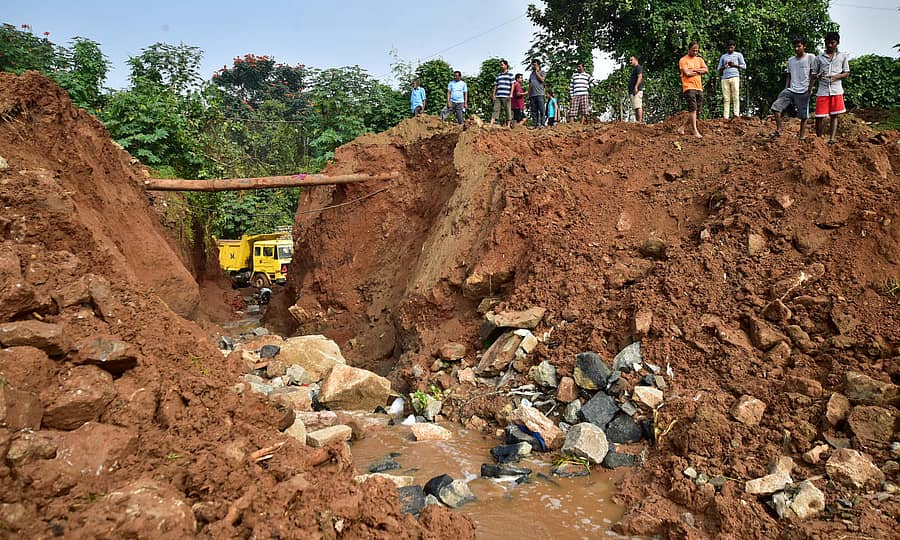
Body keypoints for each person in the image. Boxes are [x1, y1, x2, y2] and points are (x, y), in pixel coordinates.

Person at [770, 37, 814, 139]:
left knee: (803, 116)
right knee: (775, 107)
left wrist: (810, 89)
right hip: (791, 90)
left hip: (804, 90)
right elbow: (788, 75)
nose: (796, 48)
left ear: (804, 46)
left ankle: (801, 137)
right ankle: (779, 129)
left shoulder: (810, 57)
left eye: (799, 46)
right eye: (795, 46)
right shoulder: (791, 60)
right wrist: (786, 88)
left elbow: (813, 74)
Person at [812, 31, 850, 144]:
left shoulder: (842, 56)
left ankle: (831, 139)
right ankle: (819, 139)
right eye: (827, 43)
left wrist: (836, 77)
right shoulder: (819, 58)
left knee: (834, 115)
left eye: (832, 43)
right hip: (823, 90)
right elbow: (813, 73)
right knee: (819, 116)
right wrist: (818, 76)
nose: (829, 45)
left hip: (836, 90)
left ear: (837, 43)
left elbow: (846, 72)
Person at [677, 41, 709, 138]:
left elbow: (706, 70)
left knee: (697, 111)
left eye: (697, 51)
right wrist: (699, 71)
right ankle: (694, 130)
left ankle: (682, 127)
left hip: (699, 87)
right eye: (693, 50)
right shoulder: (683, 60)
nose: (695, 52)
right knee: (693, 109)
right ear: (689, 49)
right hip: (688, 87)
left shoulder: (699, 59)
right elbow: (687, 73)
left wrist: (694, 70)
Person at [717, 40, 747, 118]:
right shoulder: (723, 56)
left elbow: (744, 66)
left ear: (734, 47)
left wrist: (734, 65)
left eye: (731, 47)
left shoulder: (738, 55)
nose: (730, 49)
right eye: (729, 48)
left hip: (735, 77)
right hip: (725, 78)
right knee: (726, 98)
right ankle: (726, 116)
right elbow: (719, 69)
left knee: (735, 96)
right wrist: (724, 66)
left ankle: (736, 114)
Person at [490, 59, 515, 127]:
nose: (501, 66)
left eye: (502, 65)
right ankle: (491, 123)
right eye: (500, 65)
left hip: (506, 95)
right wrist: (493, 94)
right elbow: (496, 85)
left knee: (507, 110)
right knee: (495, 109)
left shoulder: (510, 75)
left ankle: (508, 125)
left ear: (506, 65)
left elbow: (513, 85)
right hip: (498, 95)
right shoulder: (498, 75)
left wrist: (511, 94)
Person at [528, 59, 547, 128]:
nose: (533, 66)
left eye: (534, 64)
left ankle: (542, 124)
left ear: (538, 65)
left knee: (542, 110)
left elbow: (542, 80)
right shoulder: (531, 74)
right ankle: (534, 124)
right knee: (534, 110)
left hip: (540, 94)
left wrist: (537, 72)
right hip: (532, 95)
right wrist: (529, 94)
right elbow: (530, 84)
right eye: (532, 64)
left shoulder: (542, 72)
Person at [628, 56, 644, 123]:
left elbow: (640, 77)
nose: (630, 62)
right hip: (632, 91)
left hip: (636, 91)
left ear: (636, 60)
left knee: (638, 106)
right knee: (635, 107)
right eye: (630, 60)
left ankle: (640, 121)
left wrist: (636, 87)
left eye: (631, 60)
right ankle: (638, 121)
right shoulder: (634, 69)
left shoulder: (638, 67)